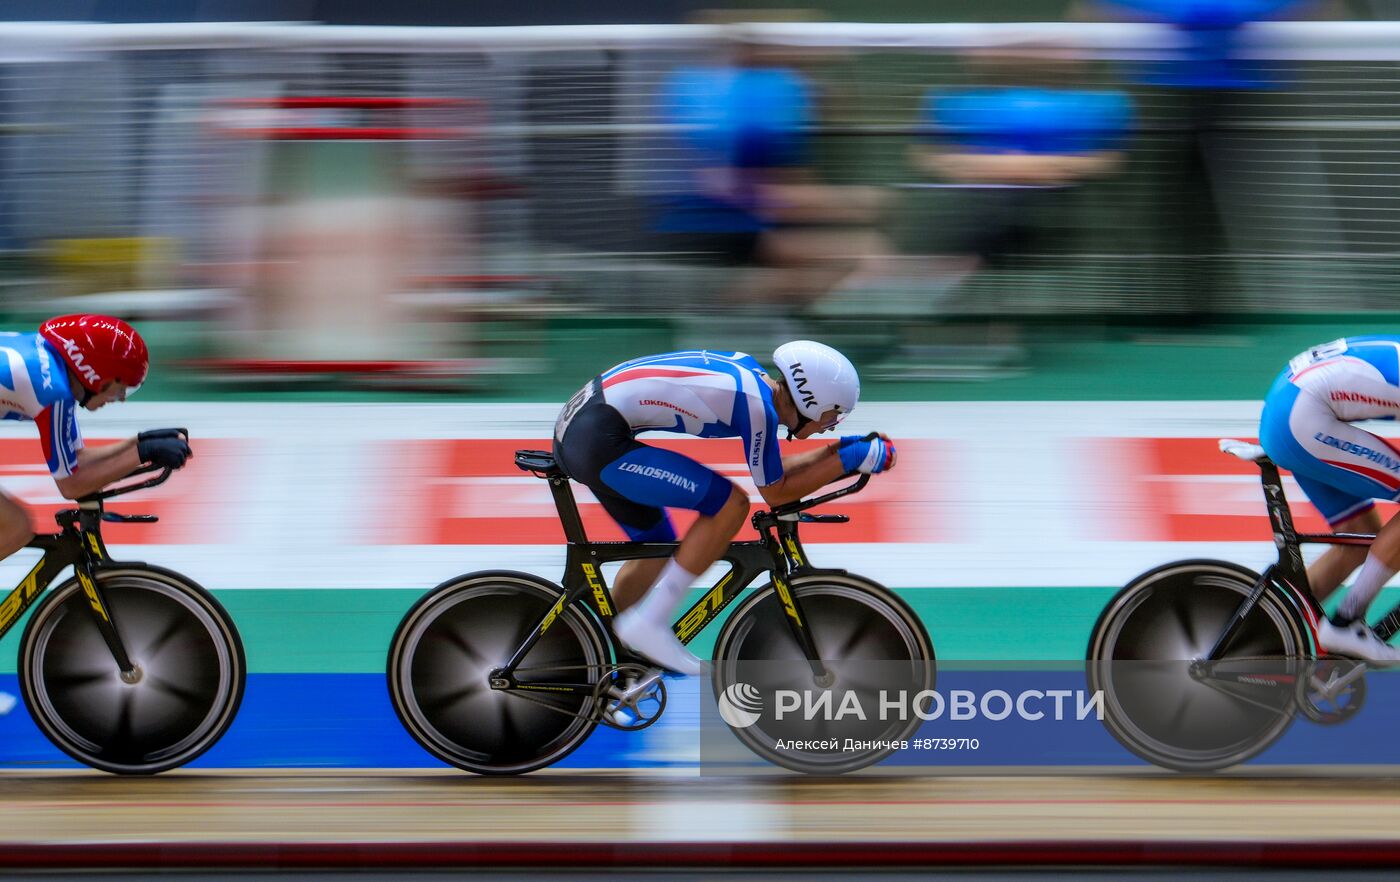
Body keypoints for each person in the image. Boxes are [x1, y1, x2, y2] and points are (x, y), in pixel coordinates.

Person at [552, 341, 895, 674]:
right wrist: (849, 459)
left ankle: (613, 658)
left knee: (658, 545)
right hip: (597, 439)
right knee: (731, 504)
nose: (832, 424)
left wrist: (836, 453)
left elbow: (774, 474)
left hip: (589, 430)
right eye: (833, 414)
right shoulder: (758, 407)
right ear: (811, 399)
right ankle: (650, 623)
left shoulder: (756, 386)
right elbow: (775, 493)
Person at [0, 314, 193, 563]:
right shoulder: (53, 391)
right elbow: (71, 484)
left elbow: (76, 461)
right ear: (97, 376)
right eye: (122, 387)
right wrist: (141, 452)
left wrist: (137, 443)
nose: (122, 398)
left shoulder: (52, 366)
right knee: (14, 526)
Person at [1258, 335, 1400, 661]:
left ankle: (1266, 634)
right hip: (1302, 419)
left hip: (1291, 413)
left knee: (1359, 533)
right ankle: (1345, 622)